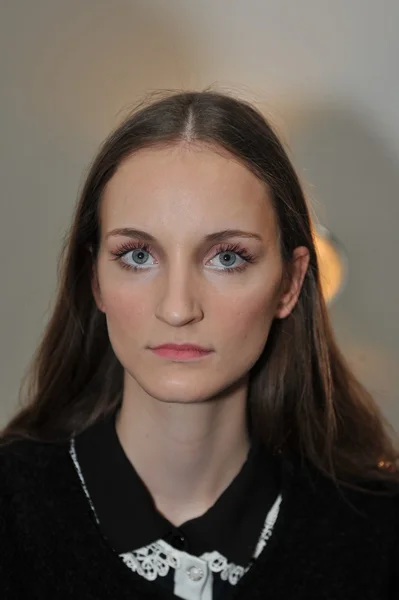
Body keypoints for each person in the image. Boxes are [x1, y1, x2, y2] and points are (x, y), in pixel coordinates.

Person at [0, 89, 398, 600]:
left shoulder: (378, 536)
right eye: (139, 255)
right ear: (94, 279)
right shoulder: (12, 513)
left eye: (227, 257)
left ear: (291, 283)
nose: (178, 308)